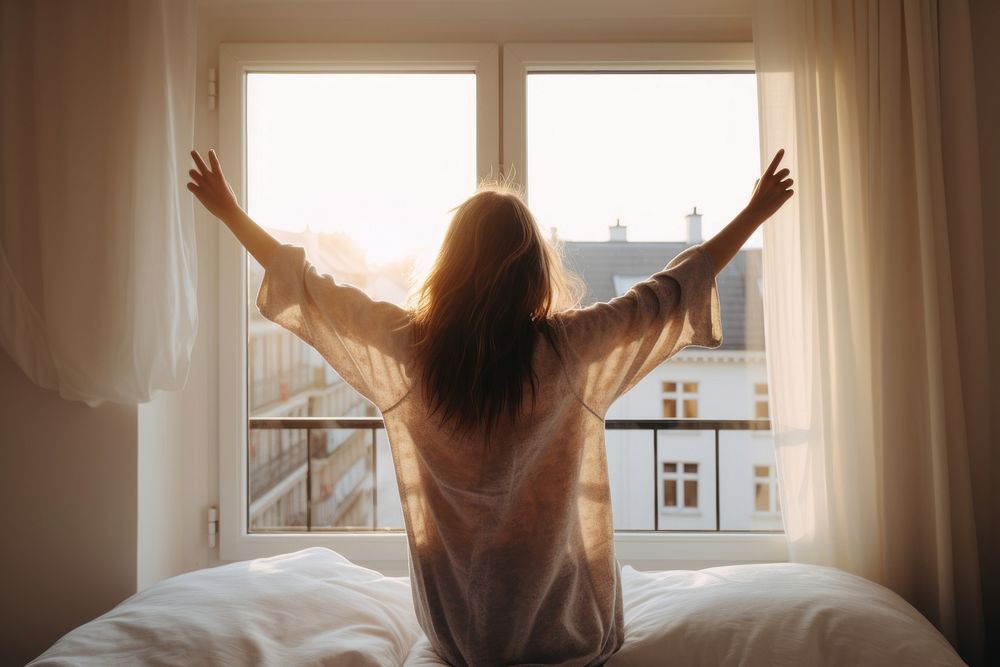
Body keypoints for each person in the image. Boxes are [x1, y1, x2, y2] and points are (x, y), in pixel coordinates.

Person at [187, 148, 793, 666]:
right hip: (569, 633)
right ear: (533, 273)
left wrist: (231, 212)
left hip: (459, 632)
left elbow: (313, 290)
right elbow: (669, 292)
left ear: (448, 269)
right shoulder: (571, 349)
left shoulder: (409, 350)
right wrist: (754, 213)